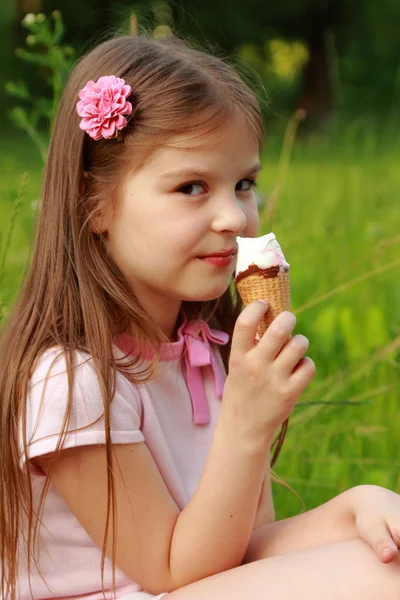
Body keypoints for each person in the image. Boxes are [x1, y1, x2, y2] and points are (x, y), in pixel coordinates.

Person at [0, 33, 399, 600]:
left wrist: (354, 507)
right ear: (95, 204)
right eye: (191, 187)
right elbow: (171, 570)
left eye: (243, 184)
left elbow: (242, 548)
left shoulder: (208, 351)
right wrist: (246, 421)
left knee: (383, 545)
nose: (234, 217)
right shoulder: (72, 382)